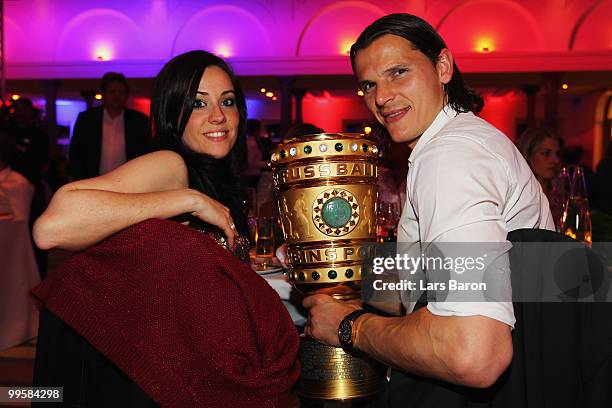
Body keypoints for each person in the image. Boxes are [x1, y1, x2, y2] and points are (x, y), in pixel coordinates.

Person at [302, 12, 555, 402]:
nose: (381, 98)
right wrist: (336, 278)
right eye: (368, 84)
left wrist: (350, 326)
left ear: (443, 67)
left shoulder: (450, 156)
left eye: (398, 72)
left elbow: (474, 354)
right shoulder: (461, 140)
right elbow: (424, 284)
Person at [35, 52, 249, 252]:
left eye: (227, 101)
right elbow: (49, 228)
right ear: (172, 114)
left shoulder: (217, 175)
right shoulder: (171, 164)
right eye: (199, 103)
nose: (219, 115)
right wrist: (191, 201)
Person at [69, 72, 151, 180]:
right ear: (104, 94)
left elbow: (145, 155)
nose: (116, 96)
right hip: (92, 182)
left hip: (128, 182)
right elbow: (76, 153)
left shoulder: (139, 121)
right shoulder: (87, 119)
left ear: (126, 95)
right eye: (112, 92)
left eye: (121, 92)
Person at [517, 126, 563, 220]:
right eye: (546, 153)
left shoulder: (558, 194)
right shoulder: (520, 196)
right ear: (528, 155)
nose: (555, 160)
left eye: (557, 154)